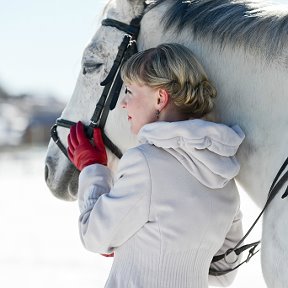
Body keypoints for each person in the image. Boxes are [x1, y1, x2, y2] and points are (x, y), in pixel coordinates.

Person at [67, 43, 245, 287]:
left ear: (160, 98)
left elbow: (95, 236)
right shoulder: (224, 174)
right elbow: (224, 270)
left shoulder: (144, 162)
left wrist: (92, 167)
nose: (123, 103)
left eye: (129, 91)